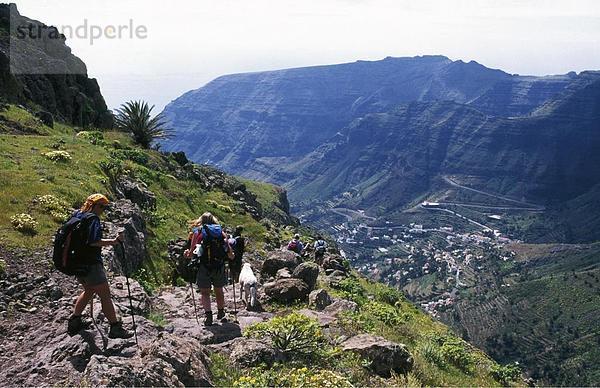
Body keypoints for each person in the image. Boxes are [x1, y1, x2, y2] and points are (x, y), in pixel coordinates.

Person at [68, 194, 133, 339]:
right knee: (105, 295)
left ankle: (74, 321)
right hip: (91, 264)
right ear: (95, 205)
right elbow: (93, 241)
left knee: (89, 291)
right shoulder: (93, 219)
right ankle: (115, 327)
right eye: (102, 207)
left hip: (77, 263)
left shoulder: (77, 215)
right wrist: (114, 241)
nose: (103, 210)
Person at [184, 212, 232, 326]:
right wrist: (231, 256)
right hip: (218, 265)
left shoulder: (198, 232)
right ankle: (221, 312)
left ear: (201, 220)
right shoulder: (220, 232)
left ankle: (208, 316)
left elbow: (191, 254)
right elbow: (229, 251)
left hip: (203, 266)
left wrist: (187, 254)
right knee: (219, 290)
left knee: (205, 293)